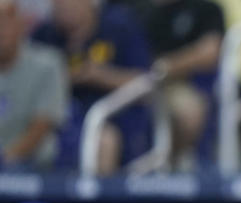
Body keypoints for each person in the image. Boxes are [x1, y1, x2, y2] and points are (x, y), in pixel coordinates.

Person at [32, 0, 152, 174]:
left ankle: (97, 200)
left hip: (111, 118)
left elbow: (147, 85)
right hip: (57, 120)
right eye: (59, 5)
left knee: (101, 139)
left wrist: (100, 75)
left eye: (72, 4)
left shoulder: (119, 27)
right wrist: (61, 79)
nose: (66, 8)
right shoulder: (44, 35)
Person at [139, 0, 225, 169]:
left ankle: (176, 162)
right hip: (144, 83)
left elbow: (210, 53)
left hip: (184, 84)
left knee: (190, 109)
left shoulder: (206, 8)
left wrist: (167, 66)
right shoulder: (144, 13)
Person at [0, 0, 68, 170]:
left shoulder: (47, 64)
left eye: (7, 20)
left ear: (21, 25)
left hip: (32, 165)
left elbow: (41, 125)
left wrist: (3, 160)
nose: (0, 29)